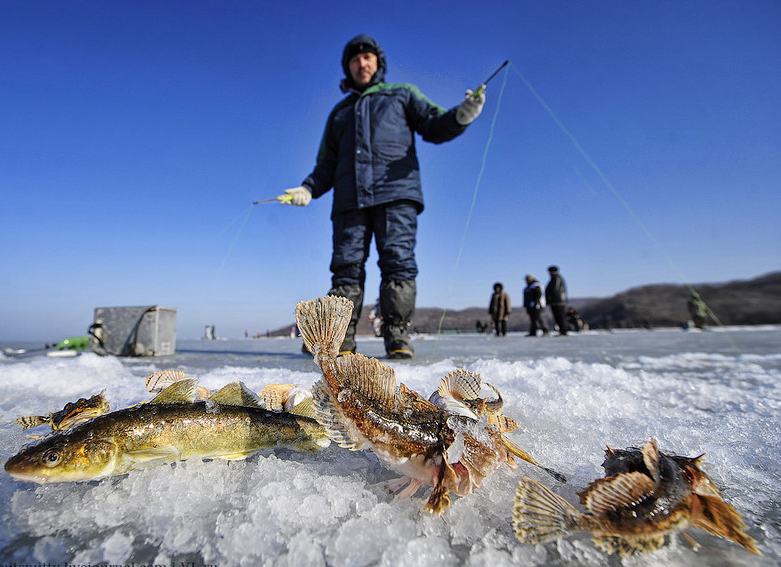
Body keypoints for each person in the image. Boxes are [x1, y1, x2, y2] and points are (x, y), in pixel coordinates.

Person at [279, 34, 485, 358]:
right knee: (346, 269)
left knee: (398, 264)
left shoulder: (402, 95)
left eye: (368, 57)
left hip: (397, 195)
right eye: (355, 59)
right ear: (348, 67)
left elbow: (433, 125)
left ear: (378, 62)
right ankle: (339, 341)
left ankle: (398, 336)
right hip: (349, 202)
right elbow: (327, 164)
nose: (362, 63)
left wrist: (461, 116)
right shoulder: (339, 113)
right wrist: (308, 187)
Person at [545, 265, 568, 336]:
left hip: (558, 301)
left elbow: (554, 289)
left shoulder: (556, 278)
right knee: (558, 317)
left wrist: (550, 298)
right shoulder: (555, 278)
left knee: (560, 317)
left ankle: (563, 331)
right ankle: (562, 331)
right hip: (557, 301)